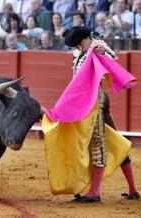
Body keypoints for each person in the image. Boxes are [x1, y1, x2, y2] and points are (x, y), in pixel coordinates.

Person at [63, 26, 140, 203]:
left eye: (75, 45)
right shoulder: (81, 53)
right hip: (88, 101)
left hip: (95, 102)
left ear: (82, 41)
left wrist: (103, 54)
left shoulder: (97, 46)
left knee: (97, 142)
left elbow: (111, 59)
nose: (74, 49)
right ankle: (133, 190)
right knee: (115, 142)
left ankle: (94, 192)